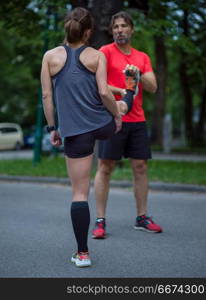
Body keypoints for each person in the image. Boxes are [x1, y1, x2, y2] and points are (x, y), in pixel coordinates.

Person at [40, 7, 138, 267]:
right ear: (88, 32)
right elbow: (104, 92)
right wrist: (117, 116)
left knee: (79, 193)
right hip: (103, 125)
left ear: (66, 28)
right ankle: (130, 91)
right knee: (121, 104)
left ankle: (82, 254)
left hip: (77, 133)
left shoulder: (50, 57)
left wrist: (53, 129)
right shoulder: (96, 56)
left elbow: (47, 97)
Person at [92, 11, 163, 239]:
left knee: (140, 167)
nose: (120, 30)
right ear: (112, 31)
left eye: (124, 26)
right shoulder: (105, 52)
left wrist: (138, 73)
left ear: (131, 30)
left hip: (137, 119)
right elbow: (98, 83)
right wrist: (122, 91)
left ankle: (142, 218)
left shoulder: (141, 57)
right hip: (111, 118)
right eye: (116, 27)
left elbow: (153, 86)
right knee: (105, 167)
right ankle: (100, 221)